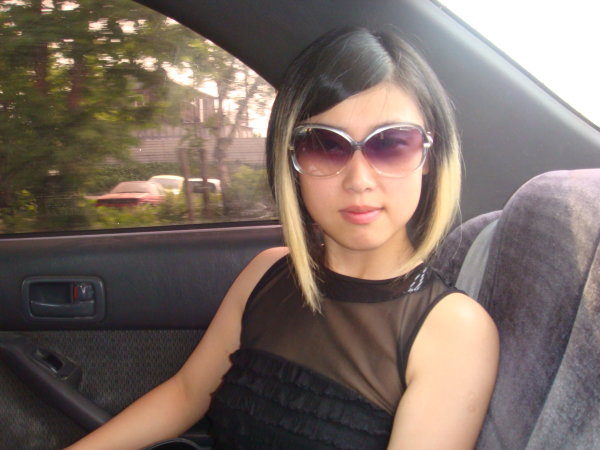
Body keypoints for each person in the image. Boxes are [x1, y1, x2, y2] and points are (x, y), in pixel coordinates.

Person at [66, 27, 499, 450]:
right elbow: (186, 393)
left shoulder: (453, 330)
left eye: (391, 144)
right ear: (290, 161)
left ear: (429, 156)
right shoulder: (267, 273)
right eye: (324, 145)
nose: (359, 180)